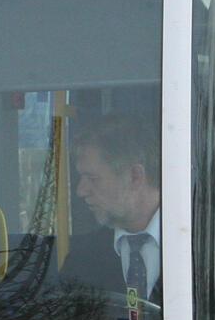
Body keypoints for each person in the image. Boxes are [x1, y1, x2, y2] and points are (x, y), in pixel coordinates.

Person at [61, 115, 163, 303]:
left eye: (92, 178)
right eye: (81, 178)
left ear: (135, 176)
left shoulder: (210, 244)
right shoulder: (82, 260)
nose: (80, 191)